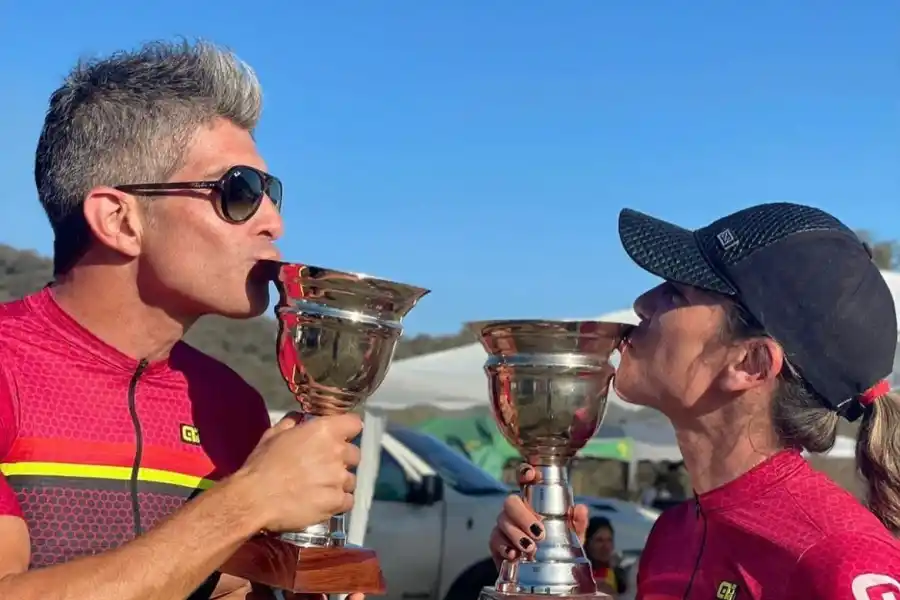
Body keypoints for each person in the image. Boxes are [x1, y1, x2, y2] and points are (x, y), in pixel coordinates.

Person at [0, 40, 365, 600]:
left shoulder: (234, 404)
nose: (273, 222)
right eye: (238, 191)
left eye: (272, 194)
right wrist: (248, 499)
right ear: (120, 220)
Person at [489, 202, 900, 599]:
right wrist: (556, 577)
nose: (642, 303)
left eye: (676, 293)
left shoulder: (840, 564)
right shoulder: (673, 536)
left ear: (751, 363)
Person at [584, 517, 627, 597]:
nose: (606, 547)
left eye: (609, 540)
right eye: (599, 540)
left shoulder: (619, 575)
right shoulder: (578, 574)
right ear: (588, 543)